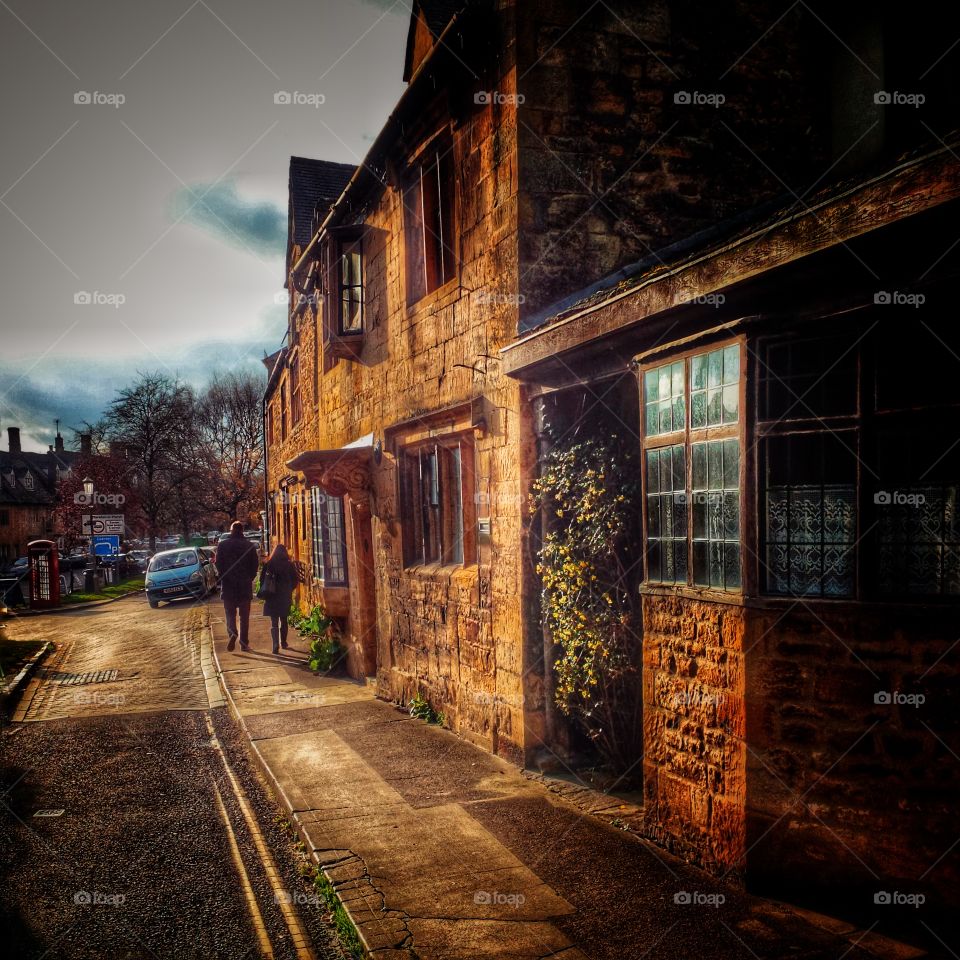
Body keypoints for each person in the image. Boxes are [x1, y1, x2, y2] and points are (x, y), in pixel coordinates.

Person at [216, 521, 260, 651]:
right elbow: (255, 566)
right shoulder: (249, 546)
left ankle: (232, 632)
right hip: (244, 586)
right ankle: (244, 643)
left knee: (230, 614)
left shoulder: (222, 545)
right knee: (244, 616)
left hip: (228, 585)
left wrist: (224, 576)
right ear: (242, 531)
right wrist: (249, 578)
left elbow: (218, 564)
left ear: (231, 531)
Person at [260, 544, 300, 654]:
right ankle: (284, 642)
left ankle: (275, 644)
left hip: (271, 595)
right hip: (284, 595)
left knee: (274, 622)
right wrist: (289, 589)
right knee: (284, 620)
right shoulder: (289, 565)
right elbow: (295, 580)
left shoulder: (269, 564)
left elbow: (262, 579)